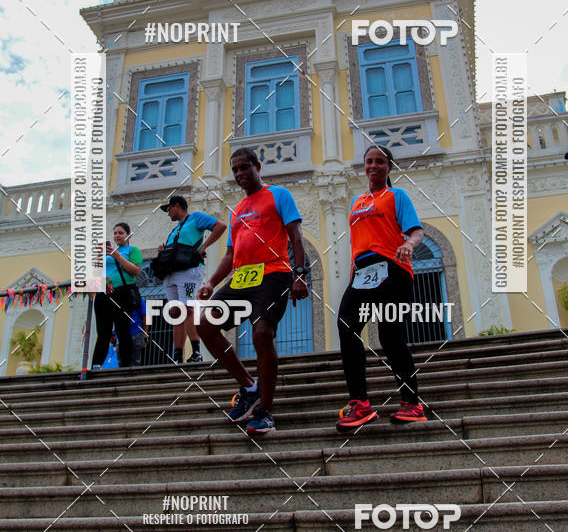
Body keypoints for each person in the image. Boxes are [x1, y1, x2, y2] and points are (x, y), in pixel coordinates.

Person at [197, 147, 309, 434]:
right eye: (235, 170)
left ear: (258, 166)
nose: (239, 174)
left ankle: (265, 411)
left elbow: (296, 237)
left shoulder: (279, 195)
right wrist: (211, 282)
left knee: (262, 333)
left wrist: (299, 274)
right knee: (205, 324)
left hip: (274, 273)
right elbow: (229, 255)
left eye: (244, 167)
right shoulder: (237, 210)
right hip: (242, 278)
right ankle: (249, 386)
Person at [336, 145, 427, 431]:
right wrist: (352, 274)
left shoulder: (396, 195)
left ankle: (412, 404)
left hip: (393, 269)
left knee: (391, 337)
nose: (373, 166)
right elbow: (357, 244)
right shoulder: (357, 202)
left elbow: (416, 230)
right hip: (362, 273)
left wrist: (408, 245)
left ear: (389, 167)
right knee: (346, 325)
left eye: (380, 162)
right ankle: (360, 404)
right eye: (369, 161)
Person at [158, 195, 227, 363]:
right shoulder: (175, 230)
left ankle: (196, 351)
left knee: (188, 309)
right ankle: (177, 355)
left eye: (169, 209)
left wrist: (203, 247)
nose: (168, 213)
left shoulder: (195, 218)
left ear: (176, 206)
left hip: (188, 271)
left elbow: (220, 225)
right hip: (171, 273)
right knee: (176, 312)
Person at [92, 222, 142, 369]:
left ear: (128, 235)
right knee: (102, 332)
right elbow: (94, 275)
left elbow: (136, 271)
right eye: (115, 233)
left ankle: (126, 365)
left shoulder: (132, 250)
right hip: (104, 293)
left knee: (122, 330)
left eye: (120, 233)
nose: (117, 236)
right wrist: (99, 256)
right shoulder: (106, 254)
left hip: (122, 294)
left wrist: (117, 255)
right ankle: (96, 365)